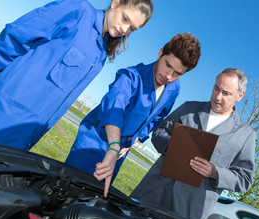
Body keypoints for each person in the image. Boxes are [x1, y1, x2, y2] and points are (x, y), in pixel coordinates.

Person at [0, 0, 153, 151]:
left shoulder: (100, 55)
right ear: (115, 3)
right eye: (125, 18)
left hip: (30, 130)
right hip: (3, 114)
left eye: (132, 29)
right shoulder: (77, 10)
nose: (124, 29)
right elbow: (15, 35)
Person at [65, 32, 201, 197]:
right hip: (94, 140)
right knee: (69, 188)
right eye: (167, 65)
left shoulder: (174, 88)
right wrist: (113, 146)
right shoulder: (130, 77)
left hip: (121, 150)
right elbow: (114, 109)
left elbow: (158, 117)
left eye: (177, 73)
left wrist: (135, 139)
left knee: (93, 198)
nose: (168, 75)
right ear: (160, 53)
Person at [130, 68, 256, 219]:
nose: (218, 97)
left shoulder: (245, 135)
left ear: (239, 96)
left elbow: (244, 179)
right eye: (216, 88)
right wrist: (173, 146)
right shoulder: (189, 108)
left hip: (188, 213)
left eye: (226, 93)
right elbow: (159, 131)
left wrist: (215, 172)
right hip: (152, 193)